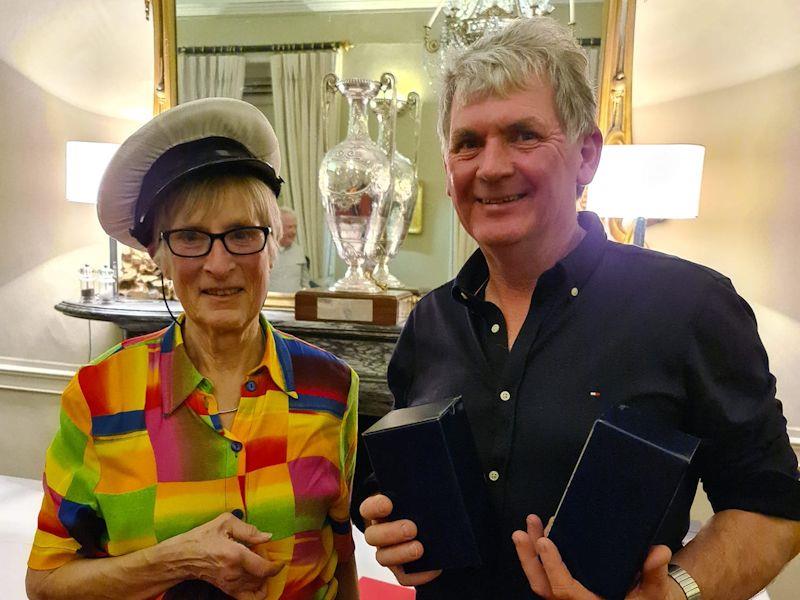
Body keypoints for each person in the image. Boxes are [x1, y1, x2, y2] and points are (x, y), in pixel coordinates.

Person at [356, 17, 800, 600]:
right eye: (468, 143)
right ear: (447, 171)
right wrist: (390, 529)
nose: (491, 167)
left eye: (523, 135)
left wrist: (677, 591)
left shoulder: (692, 308)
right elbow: (393, 494)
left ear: (587, 156)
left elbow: (773, 510)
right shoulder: (428, 321)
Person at [26, 98, 359, 600]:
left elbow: (341, 558)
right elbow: (46, 582)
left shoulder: (331, 387)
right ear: (158, 255)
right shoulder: (99, 395)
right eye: (189, 237)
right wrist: (176, 560)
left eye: (243, 234)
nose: (219, 264)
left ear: (273, 247)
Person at [269, 207, 309, 293]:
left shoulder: (299, 251)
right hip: (270, 304)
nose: (294, 231)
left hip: (295, 304)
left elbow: (305, 284)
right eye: (290, 227)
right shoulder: (263, 252)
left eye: (295, 227)